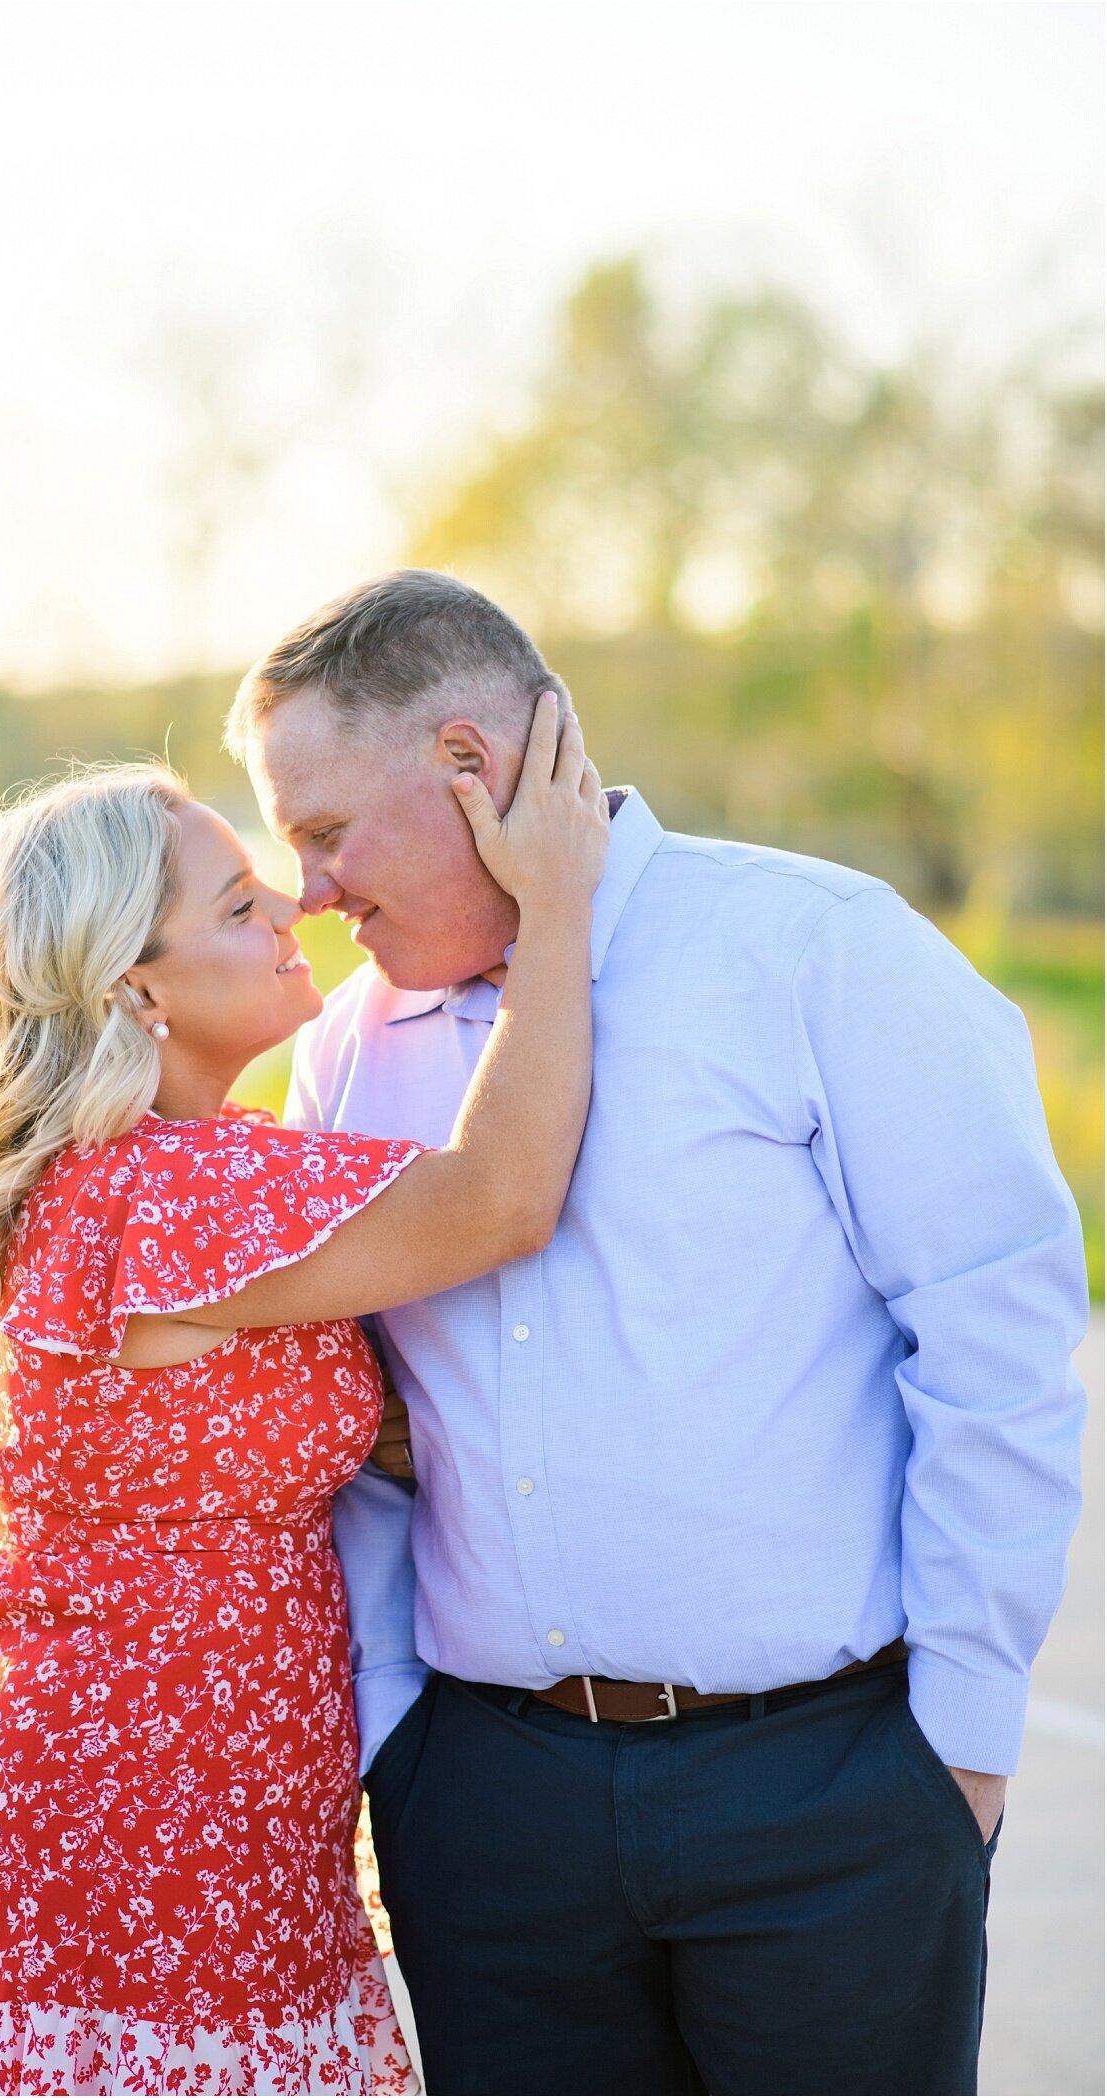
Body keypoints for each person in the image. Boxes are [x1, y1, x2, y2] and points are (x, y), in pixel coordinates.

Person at [226, 568, 1090, 2098]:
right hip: (491, 1813)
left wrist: (953, 1750)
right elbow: (354, 1426)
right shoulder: (351, 1052)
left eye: (324, 832)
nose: (310, 892)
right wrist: (397, 1741)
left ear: (471, 769)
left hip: (833, 1797)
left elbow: (995, 1340)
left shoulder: (822, 951)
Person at [0, 717, 609, 2096]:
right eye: (240, 904)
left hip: (185, 1790)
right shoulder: (172, 1191)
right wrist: (558, 906)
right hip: (140, 1814)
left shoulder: (162, 1175)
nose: (295, 911)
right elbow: (502, 1193)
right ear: (132, 986)